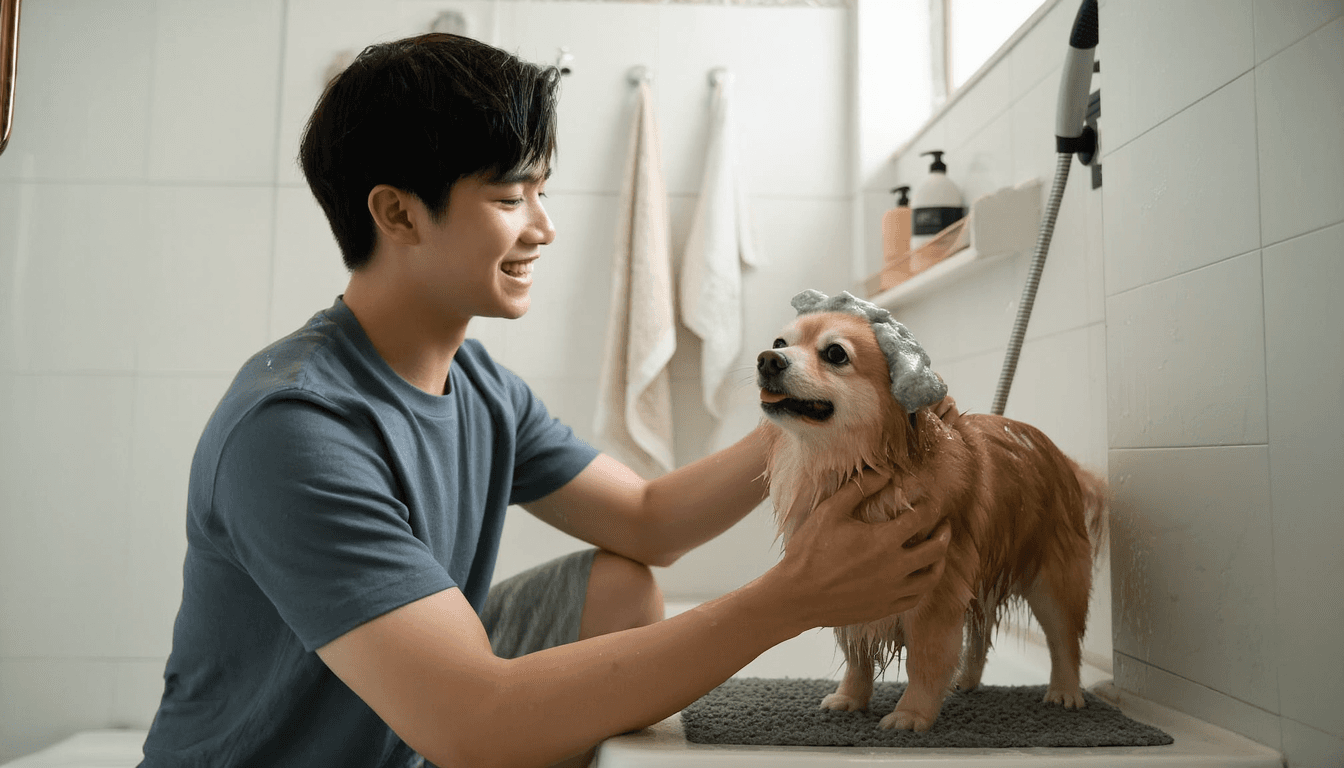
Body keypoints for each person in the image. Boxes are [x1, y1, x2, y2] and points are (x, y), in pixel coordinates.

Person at [138, 32, 951, 768]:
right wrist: (793, 599)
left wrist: (820, 403)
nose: (543, 227)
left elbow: (646, 520)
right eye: (508, 198)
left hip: (411, 732)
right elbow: (470, 721)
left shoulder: (479, 383)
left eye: (541, 190)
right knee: (505, 690)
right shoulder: (296, 429)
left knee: (620, 586)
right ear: (396, 213)